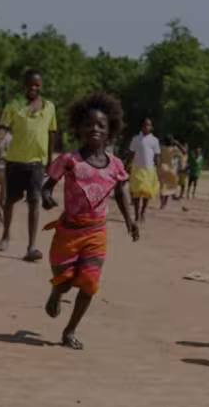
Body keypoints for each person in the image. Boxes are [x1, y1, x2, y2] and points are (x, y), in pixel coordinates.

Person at [41, 93, 139, 349]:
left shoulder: (116, 165)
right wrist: (46, 196)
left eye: (100, 126)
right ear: (78, 128)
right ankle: (56, 292)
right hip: (68, 232)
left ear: (110, 132)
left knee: (90, 283)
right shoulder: (69, 160)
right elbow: (47, 185)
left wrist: (131, 221)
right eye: (88, 124)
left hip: (96, 232)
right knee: (64, 282)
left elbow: (120, 192)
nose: (94, 129)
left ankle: (70, 330)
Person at [0, 69, 57, 261]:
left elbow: (51, 132)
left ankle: (31, 247)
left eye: (37, 85)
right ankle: (5, 235)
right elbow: (4, 127)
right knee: (10, 201)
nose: (33, 88)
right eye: (30, 84)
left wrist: (51, 160)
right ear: (24, 86)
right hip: (15, 161)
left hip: (37, 163)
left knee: (35, 202)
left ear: (41, 86)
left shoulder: (49, 107)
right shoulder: (14, 105)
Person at [126, 119, 160, 223]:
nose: (146, 127)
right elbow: (131, 153)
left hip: (149, 169)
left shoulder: (154, 140)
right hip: (137, 168)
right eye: (145, 125)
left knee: (147, 193)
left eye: (149, 125)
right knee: (136, 192)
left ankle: (143, 212)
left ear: (151, 127)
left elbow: (157, 155)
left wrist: (158, 169)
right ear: (141, 127)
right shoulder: (136, 139)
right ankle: (136, 214)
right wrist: (127, 165)